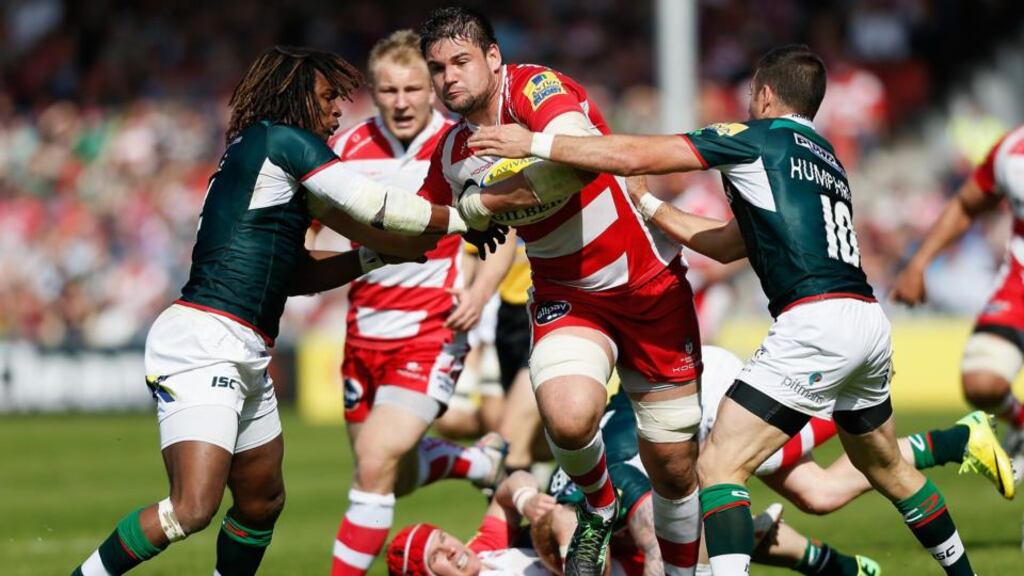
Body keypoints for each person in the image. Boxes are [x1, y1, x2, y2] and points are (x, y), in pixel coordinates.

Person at [467, 44, 1009, 576]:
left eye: (751, 94)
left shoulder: (754, 138)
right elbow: (730, 244)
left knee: (719, 467)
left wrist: (537, 141)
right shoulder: (826, 159)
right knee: (885, 467)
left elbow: (637, 154)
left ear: (765, 94)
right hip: (867, 320)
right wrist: (650, 205)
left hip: (814, 322)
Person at [70, 45, 467, 576]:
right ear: (297, 96)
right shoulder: (283, 141)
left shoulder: (263, 156)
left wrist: (373, 254)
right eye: (328, 98)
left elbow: (297, 272)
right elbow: (380, 207)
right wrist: (469, 215)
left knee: (261, 502)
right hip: (205, 340)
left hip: (243, 346)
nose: (336, 112)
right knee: (192, 508)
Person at [417, 7, 704, 576]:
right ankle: (600, 505)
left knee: (673, 467)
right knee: (569, 420)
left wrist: (487, 201)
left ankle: (681, 573)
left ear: (493, 58)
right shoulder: (452, 153)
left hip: (646, 284)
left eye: (461, 61)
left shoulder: (535, 88)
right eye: (438, 68)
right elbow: (425, 219)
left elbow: (574, 165)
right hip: (567, 294)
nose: (449, 77)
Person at [311, 31, 512, 576]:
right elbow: (305, 233)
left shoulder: (460, 143)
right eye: (388, 90)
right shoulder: (347, 148)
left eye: (412, 88)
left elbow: (508, 225)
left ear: (432, 89)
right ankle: (478, 460)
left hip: (431, 331)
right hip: (364, 334)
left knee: (375, 462)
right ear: (373, 93)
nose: (401, 101)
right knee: (388, 474)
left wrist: (479, 290)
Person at [892, 124, 1024, 478]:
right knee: (981, 383)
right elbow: (966, 204)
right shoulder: (1011, 150)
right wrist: (919, 263)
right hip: (1019, 287)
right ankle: (1021, 424)